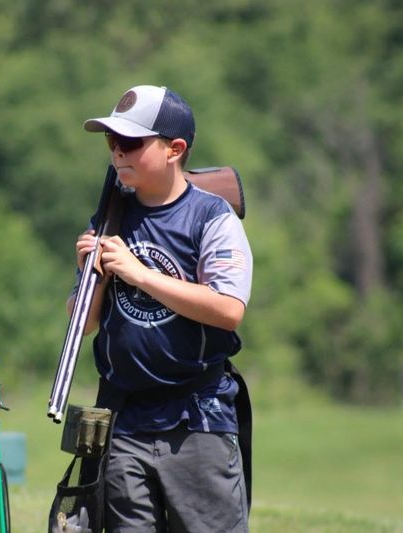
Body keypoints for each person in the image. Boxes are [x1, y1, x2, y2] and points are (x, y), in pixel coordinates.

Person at [67, 85, 253, 532]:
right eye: (112, 142)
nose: (117, 153)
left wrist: (139, 273)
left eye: (130, 142)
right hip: (123, 419)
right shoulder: (108, 218)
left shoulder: (211, 217)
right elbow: (85, 324)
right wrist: (93, 274)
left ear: (175, 149)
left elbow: (228, 309)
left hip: (197, 415)